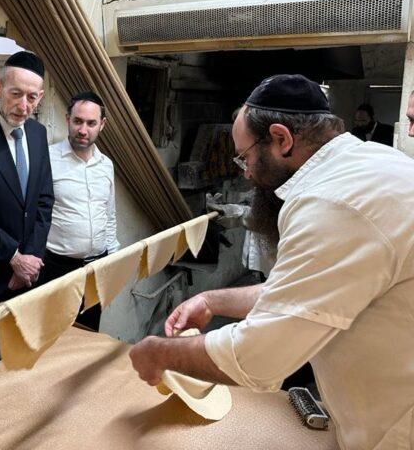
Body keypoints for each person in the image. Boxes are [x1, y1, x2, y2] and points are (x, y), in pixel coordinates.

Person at [129, 74, 414, 450]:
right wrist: (213, 300)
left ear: (281, 139)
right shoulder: (369, 162)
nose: (246, 172)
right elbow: (300, 293)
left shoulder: (333, 203)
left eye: (245, 156)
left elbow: (258, 358)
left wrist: (159, 354)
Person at [0, 51, 54, 304]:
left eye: (32, 97)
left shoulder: (38, 133)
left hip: (31, 272)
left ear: (40, 97)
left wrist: (31, 258)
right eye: (15, 94)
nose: (24, 106)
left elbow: (44, 201)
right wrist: (13, 257)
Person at [41, 91, 118, 330]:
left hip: (97, 268)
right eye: (78, 121)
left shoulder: (106, 165)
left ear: (102, 125)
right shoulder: (47, 159)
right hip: (57, 268)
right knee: (53, 336)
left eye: (91, 123)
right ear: (68, 119)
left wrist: (113, 257)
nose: (83, 130)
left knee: (87, 336)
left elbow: (109, 214)